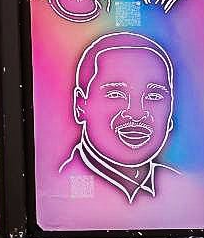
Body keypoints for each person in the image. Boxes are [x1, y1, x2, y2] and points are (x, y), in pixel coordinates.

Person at [61, 31, 177, 203]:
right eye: (116, 94)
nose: (137, 114)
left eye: (153, 96)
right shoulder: (61, 187)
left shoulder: (182, 188)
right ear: (80, 106)